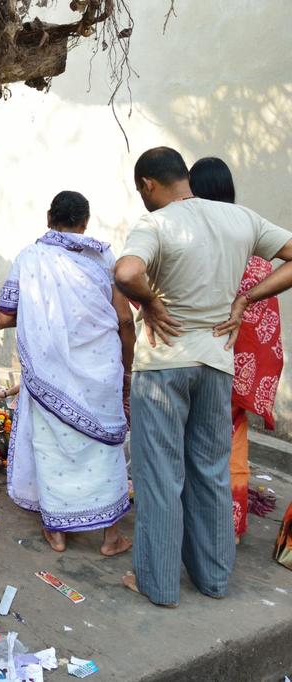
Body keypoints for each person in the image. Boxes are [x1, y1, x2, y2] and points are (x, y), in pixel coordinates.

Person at [115, 147, 292, 607]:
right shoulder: (241, 220)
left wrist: (151, 302)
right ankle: (214, 579)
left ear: (149, 185)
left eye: (141, 191)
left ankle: (157, 584)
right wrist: (246, 298)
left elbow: (127, 272)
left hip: (163, 369)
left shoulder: (156, 224)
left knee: (160, 477)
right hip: (215, 364)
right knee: (210, 473)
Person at [0, 191, 134, 556]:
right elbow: (123, 318)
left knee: (50, 447)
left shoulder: (30, 259)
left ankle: (57, 533)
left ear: (48, 217)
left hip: (49, 371)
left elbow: (3, 317)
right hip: (102, 370)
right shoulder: (105, 257)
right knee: (106, 449)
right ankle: (110, 538)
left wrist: (43, 321)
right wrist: (128, 370)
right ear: (84, 223)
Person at [189, 157, 283, 544]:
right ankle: (229, 527)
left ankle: (190, 527)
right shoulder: (257, 257)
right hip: (235, 375)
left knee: (189, 447)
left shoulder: (192, 245)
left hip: (193, 365)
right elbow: (266, 327)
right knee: (231, 445)